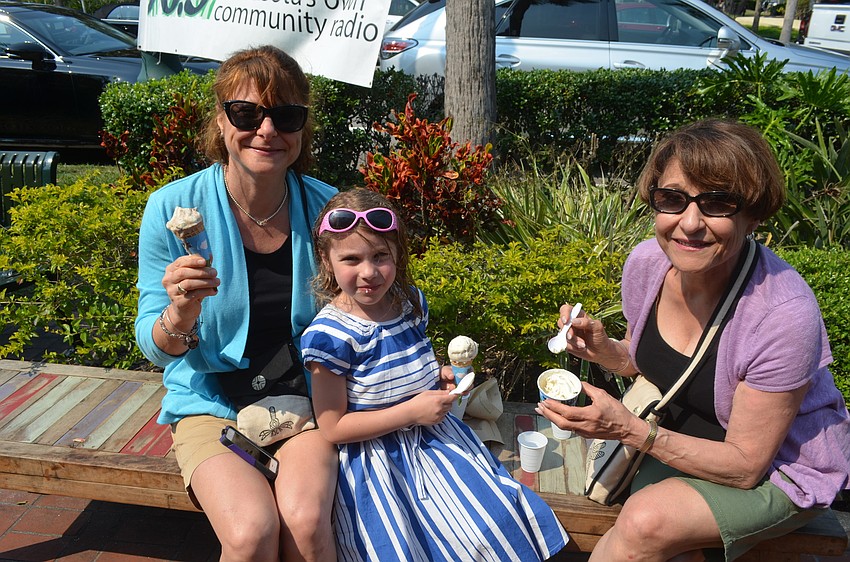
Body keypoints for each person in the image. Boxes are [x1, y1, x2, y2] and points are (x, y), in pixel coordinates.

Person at [537, 118, 850, 562]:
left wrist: (627, 428)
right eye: (672, 199)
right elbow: (657, 365)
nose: (689, 223)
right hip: (683, 434)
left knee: (647, 520)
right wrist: (607, 351)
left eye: (717, 203)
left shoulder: (783, 315)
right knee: (664, 543)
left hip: (778, 467)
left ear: (753, 214)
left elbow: (745, 467)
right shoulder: (648, 264)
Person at [135, 45, 339, 562]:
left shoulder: (325, 209)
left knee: (306, 524)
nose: (267, 130)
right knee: (250, 533)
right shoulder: (172, 208)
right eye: (247, 113)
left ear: (302, 129)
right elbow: (155, 349)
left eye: (286, 115)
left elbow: (371, 303)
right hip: (212, 402)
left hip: (303, 402)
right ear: (221, 123)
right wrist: (181, 313)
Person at [300, 189, 570, 561]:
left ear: (397, 253)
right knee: (401, 546)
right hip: (378, 461)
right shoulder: (330, 337)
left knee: (492, 524)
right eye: (351, 259)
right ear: (327, 262)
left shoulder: (409, 302)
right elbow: (333, 427)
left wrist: (438, 376)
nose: (369, 272)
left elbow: (404, 364)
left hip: (435, 442)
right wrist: (411, 412)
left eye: (381, 255)